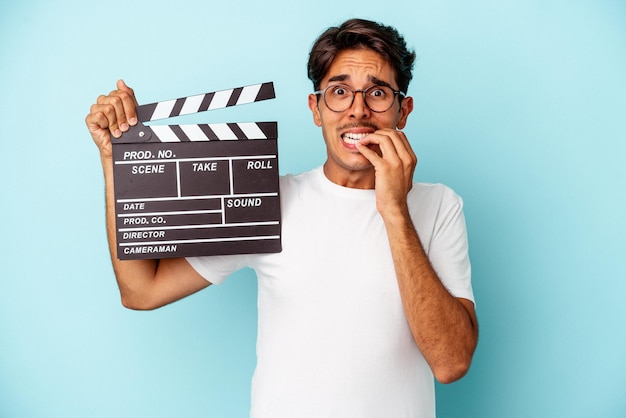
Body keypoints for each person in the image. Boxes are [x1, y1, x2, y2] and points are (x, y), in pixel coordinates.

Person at [86, 18, 478, 418]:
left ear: (403, 109)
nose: (358, 111)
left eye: (377, 93)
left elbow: (451, 362)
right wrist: (114, 161)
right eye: (339, 92)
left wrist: (395, 209)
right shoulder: (267, 201)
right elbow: (141, 291)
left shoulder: (439, 206)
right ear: (316, 108)